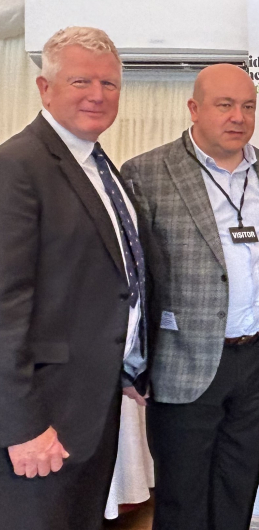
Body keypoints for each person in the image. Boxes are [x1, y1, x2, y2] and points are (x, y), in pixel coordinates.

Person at [121, 63, 259, 530]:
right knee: (182, 497)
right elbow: (134, 279)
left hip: (255, 358)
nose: (239, 116)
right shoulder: (146, 173)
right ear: (194, 109)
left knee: (238, 484)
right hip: (184, 359)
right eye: (225, 105)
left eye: (248, 106)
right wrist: (134, 361)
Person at [0, 27, 146, 530]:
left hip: (93, 404)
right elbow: (4, 308)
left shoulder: (101, 167)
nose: (97, 95)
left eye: (109, 84)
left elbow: (113, 280)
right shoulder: (17, 166)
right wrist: (22, 427)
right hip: (42, 418)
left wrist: (131, 362)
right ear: (45, 89)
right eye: (81, 81)